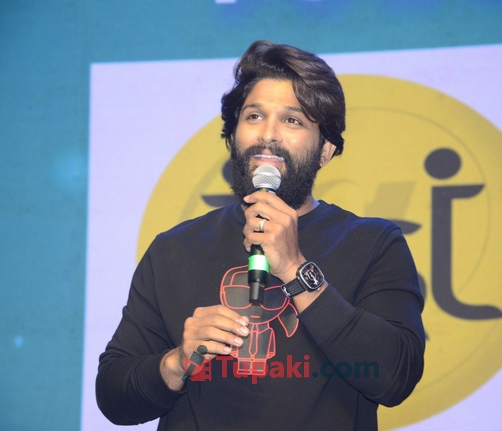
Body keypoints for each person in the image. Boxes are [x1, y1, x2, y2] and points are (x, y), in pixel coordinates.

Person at [96, 40, 425, 431]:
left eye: (292, 120)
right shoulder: (174, 250)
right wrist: (176, 362)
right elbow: (114, 397)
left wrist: (295, 269)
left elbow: (396, 378)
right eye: (254, 116)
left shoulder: (373, 244)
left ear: (325, 150)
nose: (268, 134)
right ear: (232, 136)